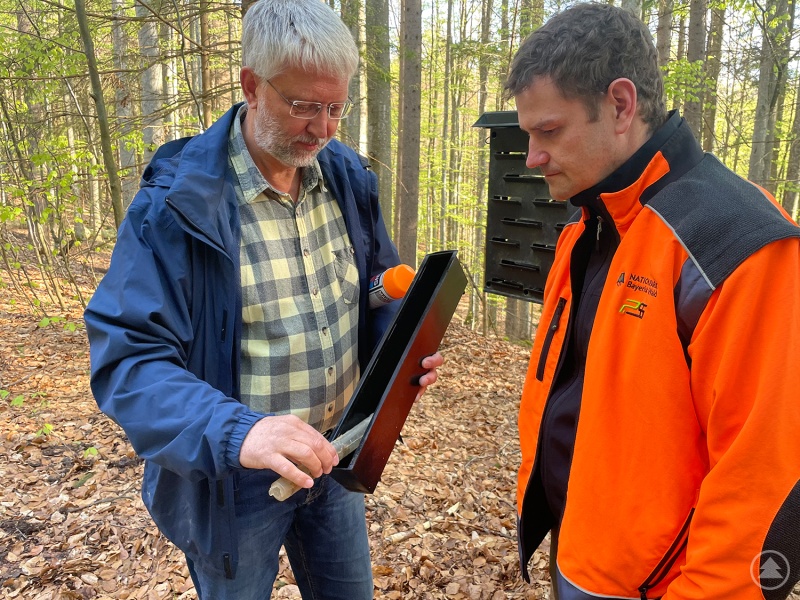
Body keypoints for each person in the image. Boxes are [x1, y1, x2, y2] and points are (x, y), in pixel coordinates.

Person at [84, 1, 442, 598]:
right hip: (234, 481)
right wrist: (238, 433)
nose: (323, 128)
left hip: (336, 457)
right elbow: (128, 361)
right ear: (252, 85)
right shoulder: (176, 207)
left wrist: (402, 350)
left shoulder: (348, 179)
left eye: (335, 108)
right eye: (303, 106)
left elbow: (376, 293)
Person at [505, 4, 800, 599]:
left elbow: (764, 479)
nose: (532, 156)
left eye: (549, 131)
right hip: (582, 554)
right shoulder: (591, 219)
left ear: (620, 105)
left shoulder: (735, 242)